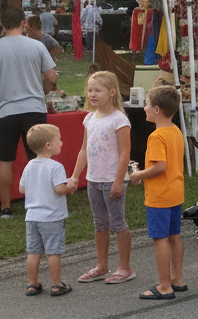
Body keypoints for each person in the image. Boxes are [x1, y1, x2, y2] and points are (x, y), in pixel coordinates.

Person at [0, 9, 58, 219]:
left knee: (5, 160)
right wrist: (43, 93)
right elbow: (51, 76)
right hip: (34, 108)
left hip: (6, 111)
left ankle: (6, 207)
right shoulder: (37, 45)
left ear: (1, 23)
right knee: (40, 157)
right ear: (23, 23)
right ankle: (41, 202)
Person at [71, 71, 134, 285]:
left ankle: (125, 267)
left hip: (112, 179)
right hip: (94, 179)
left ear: (112, 92)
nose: (92, 94)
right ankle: (102, 265)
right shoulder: (89, 118)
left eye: (98, 90)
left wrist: (118, 181)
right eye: (90, 90)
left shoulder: (119, 119)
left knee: (118, 222)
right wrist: (75, 176)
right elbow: (83, 151)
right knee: (100, 223)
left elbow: (125, 153)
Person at [130, 84, 187, 299]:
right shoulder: (175, 131)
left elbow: (160, 166)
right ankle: (177, 279)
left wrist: (137, 175)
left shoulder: (156, 136)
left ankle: (164, 286)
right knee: (175, 236)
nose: (144, 108)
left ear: (157, 110)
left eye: (147, 105)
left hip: (159, 197)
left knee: (160, 239)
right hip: (175, 192)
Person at [19, 123, 78, 297]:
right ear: (48, 145)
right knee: (53, 252)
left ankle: (32, 284)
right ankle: (56, 284)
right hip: (52, 217)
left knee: (33, 251)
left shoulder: (29, 165)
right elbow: (59, 189)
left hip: (32, 217)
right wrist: (70, 185)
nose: (62, 143)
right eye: (58, 140)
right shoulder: (55, 166)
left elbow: (22, 189)